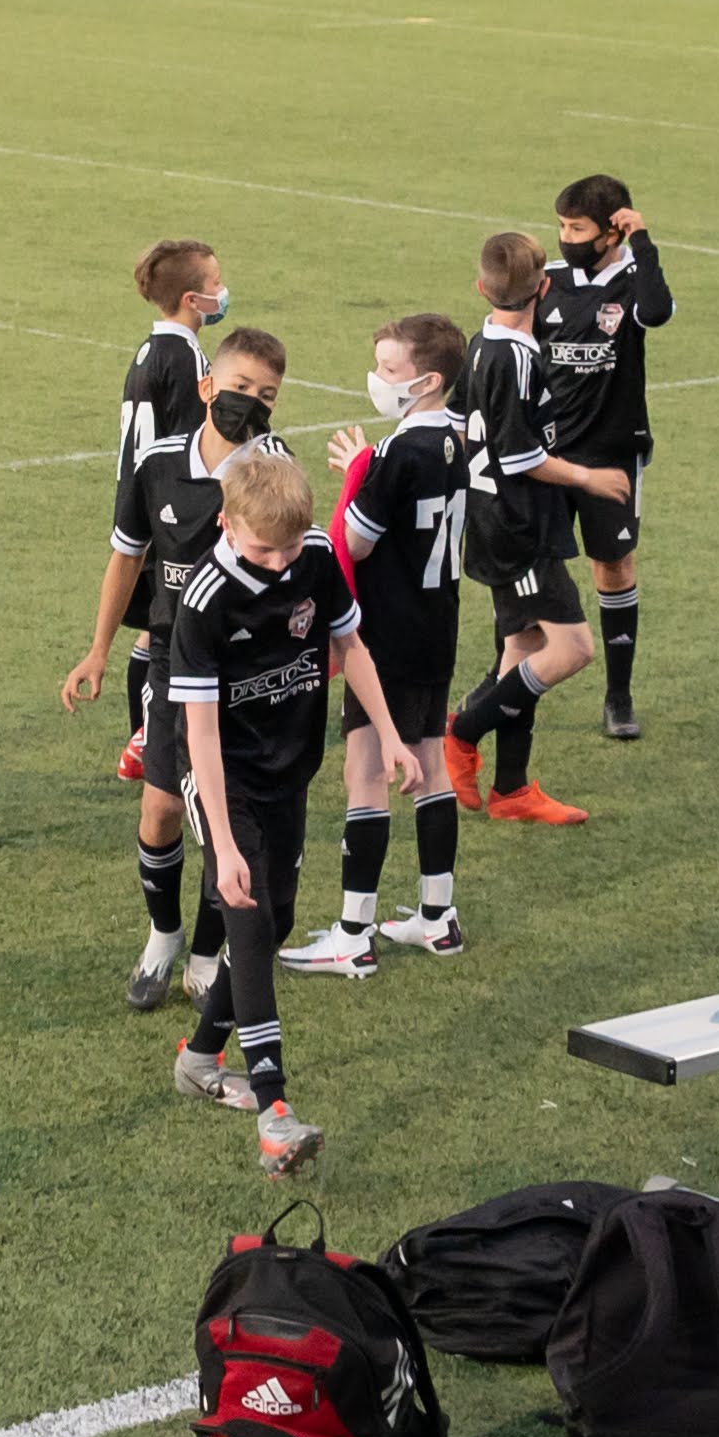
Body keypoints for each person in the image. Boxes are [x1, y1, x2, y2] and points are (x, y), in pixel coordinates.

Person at [165, 447, 422, 1176]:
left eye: (287, 547)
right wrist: (223, 844)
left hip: (289, 769)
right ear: (226, 524)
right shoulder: (206, 599)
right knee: (247, 922)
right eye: (262, 550)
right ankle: (275, 1112)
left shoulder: (313, 555)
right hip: (225, 779)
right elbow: (201, 734)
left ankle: (199, 1058)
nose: (279, 564)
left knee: (275, 920)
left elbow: (351, 645)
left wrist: (391, 736)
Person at [63, 328, 288, 1009]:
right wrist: (99, 650)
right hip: (172, 659)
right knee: (160, 808)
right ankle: (163, 936)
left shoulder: (273, 465)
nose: (250, 402)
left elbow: (292, 564)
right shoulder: (158, 461)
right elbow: (127, 556)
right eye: (240, 387)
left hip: (246, 664)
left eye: (266, 394)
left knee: (229, 822)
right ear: (207, 387)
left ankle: (206, 955)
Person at [301, 313, 474, 967]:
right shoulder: (456, 438)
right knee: (429, 765)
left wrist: (359, 472)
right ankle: (437, 916)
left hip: (388, 636)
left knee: (366, 772)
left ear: (426, 381)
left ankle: (353, 936)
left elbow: (354, 542)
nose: (377, 378)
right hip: (437, 626)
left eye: (389, 369)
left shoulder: (399, 453)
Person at [443, 231, 629, 827]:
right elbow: (522, 456)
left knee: (521, 650)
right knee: (572, 648)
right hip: (519, 527)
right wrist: (589, 478)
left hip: (495, 518)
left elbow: (458, 424)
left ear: (481, 288)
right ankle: (461, 732)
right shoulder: (518, 359)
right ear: (545, 289)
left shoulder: (479, 344)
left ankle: (512, 789)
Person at [540, 175, 676, 739]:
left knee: (613, 566)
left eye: (578, 228)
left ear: (611, 231)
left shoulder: (634, 280)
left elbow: (658, 312)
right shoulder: (546, 280)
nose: (566, 237)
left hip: (612, 456)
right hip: (547, 455)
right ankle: (507, 676)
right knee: (531, 567)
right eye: (562, 226)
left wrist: (642, 242)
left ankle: (618, 696)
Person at [108, 239, 224, 784]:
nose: (223, 292)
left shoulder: (149, 350)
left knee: (152, 631)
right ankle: (148, 740)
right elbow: (191, 446)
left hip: (143, 507)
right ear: (191, 299)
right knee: (167, 633)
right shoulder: (187, 359)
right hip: (169, 516)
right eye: (216, 284)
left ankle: (142, 740)